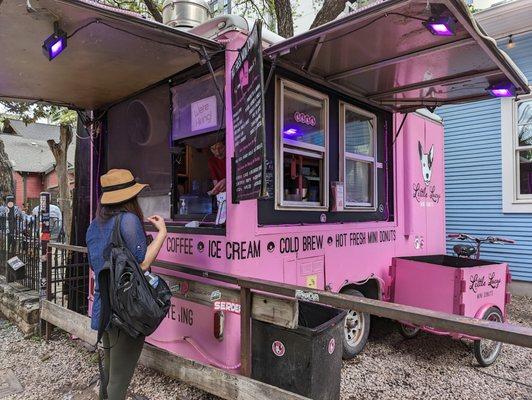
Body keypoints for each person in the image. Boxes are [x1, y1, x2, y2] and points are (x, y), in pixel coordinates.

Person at [86, 169, 167, 400]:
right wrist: (162, 233)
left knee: (110, 375)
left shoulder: (94, 226)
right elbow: (141, 264)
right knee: (118, 384)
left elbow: (96, 264)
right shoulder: (128, 220)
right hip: (127, 310)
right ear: (130, 197)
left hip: (105, 307)